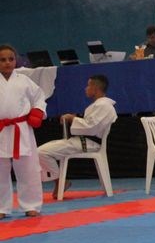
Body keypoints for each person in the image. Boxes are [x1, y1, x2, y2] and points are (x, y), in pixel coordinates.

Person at [38, 75, 117, 198]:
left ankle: (60, 182)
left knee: (41, 152)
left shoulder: (104, 106)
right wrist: (74, 118)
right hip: (83, 141)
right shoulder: (99, 105)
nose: (86, 88)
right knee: (41, 151)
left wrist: (72, 118)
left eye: (88, 85)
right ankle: (60, 182)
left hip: (88, 143)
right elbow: (90, 124)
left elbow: (91, 127)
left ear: (95, 88)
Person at [0, 44, 46, 219]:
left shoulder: (24, 80)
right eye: (3, 60)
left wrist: (38, 112)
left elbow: (39, 97)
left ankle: (31, 204)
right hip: (1, 129)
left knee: (28, 168)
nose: (7, 63)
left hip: (21, 128)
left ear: (15, 60)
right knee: (0, 170)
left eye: (11, 59)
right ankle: (1, 207)